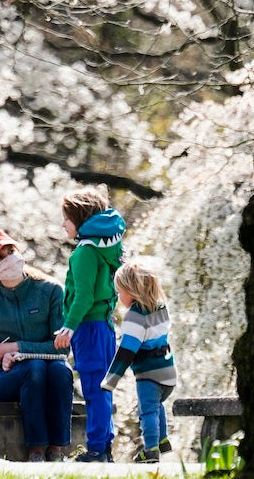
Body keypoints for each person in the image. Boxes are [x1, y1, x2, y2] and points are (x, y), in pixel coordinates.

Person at [0, 229, 74, 462]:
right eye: (0, 258)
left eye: (11, 251)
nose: (9, 259)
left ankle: (57, 450)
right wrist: (0, 362)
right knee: (34, 368)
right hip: (6, 377)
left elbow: (62, 349)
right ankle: (36, 450)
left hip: (50, 368)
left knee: (61, 370)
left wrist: (16, 347)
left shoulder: (51, 291)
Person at [52, 186, 125, 463]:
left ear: (79, 219)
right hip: (104, 327)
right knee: (103, 387)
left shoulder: (84, 251)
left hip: (89, 328)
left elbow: (84, 295)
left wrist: (68, 327)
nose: (63, 225)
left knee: (94, 389)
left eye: (66, 219)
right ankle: (104, 447)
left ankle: (96, 449)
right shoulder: (106, 246)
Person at [100, 262, 178, 462]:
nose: (119, 297)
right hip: (168, 371)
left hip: (148, 374)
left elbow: (126, 351)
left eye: (120, 292)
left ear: (131, 291)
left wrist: (110, 380)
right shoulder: (161, 309)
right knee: (157, 404)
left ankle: (151, 450)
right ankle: (162, 440)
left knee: (147, 411)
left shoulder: (135, 316)